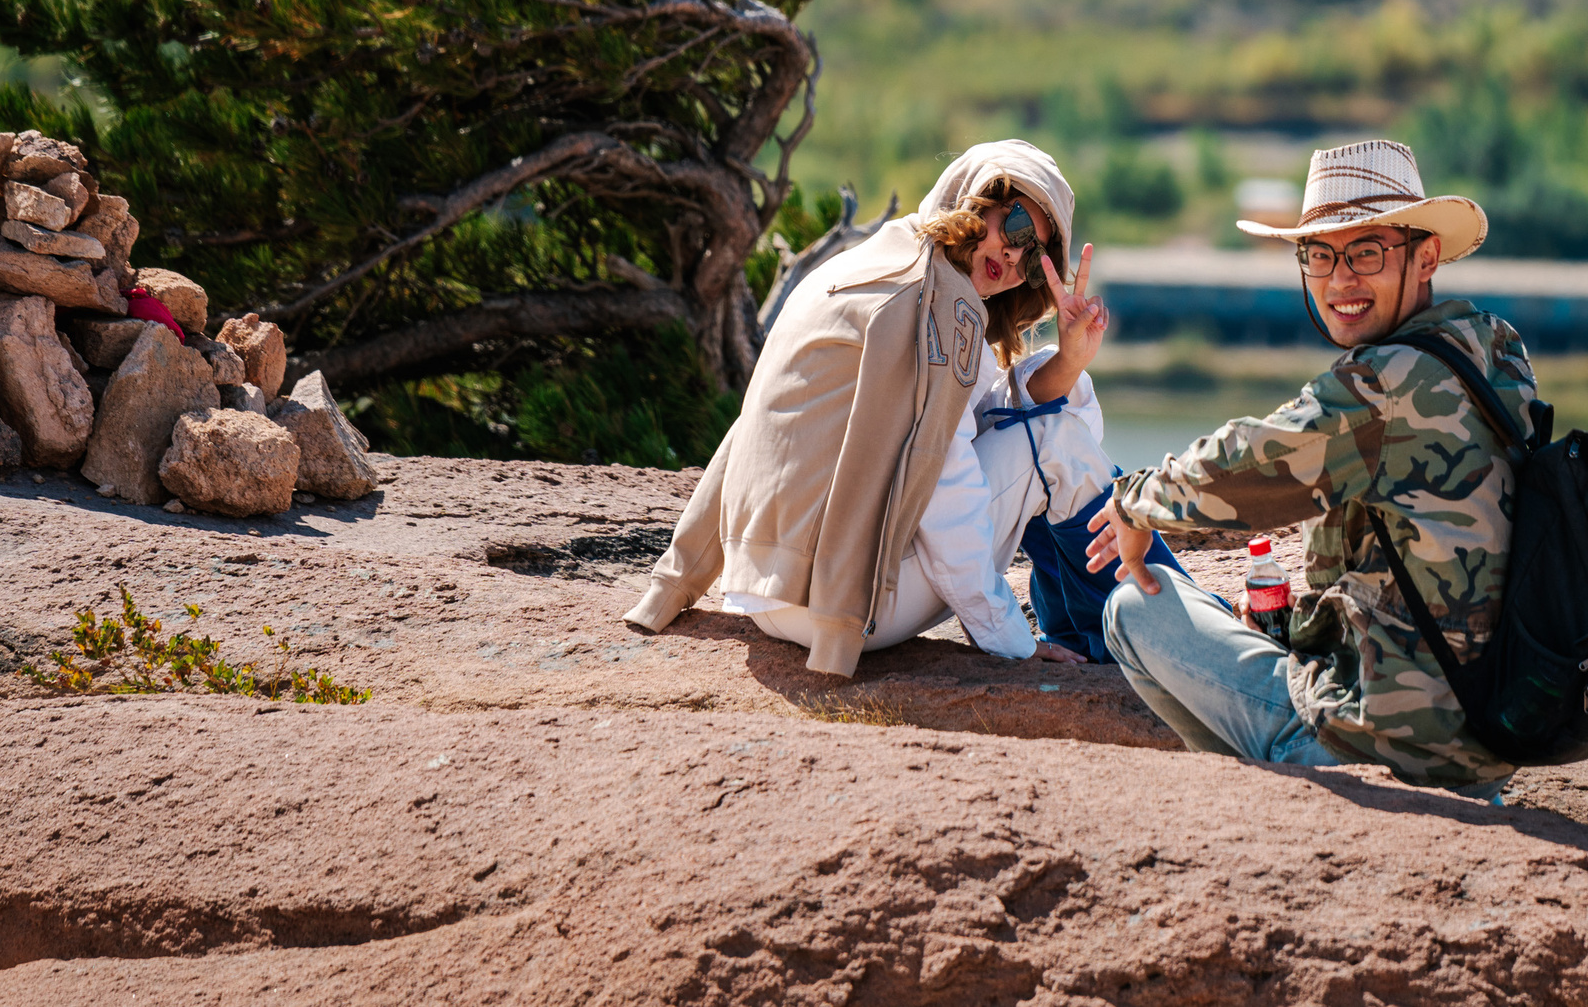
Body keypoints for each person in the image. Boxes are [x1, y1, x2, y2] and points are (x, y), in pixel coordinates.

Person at [1085, 137, 1529, 792]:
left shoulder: (1387, 384)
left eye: (1366, 252)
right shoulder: (1492, 354)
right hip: (1483, 744)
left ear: (1425, 254)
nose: (1340, 279)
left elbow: (1248, 465)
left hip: (1383, 752)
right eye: (1319, 255)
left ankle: (1287, 798)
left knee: (1133, 607)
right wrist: (1297, 626)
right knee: (1251, 623)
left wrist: (1134, 501)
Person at [623, 140, 1120, 673]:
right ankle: (1122, 632)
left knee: (1055, 418)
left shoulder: (876, 263)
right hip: (843, 607)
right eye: (1018, 227)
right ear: (978, 197)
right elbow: (947, 496)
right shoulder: (935, 305)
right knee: (1056, 442)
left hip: (766, 596)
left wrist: (678, 579)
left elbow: (749, 430)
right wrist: (1010, 640)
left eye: (1036, 255)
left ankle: (1120, 616)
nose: (1016, 256)